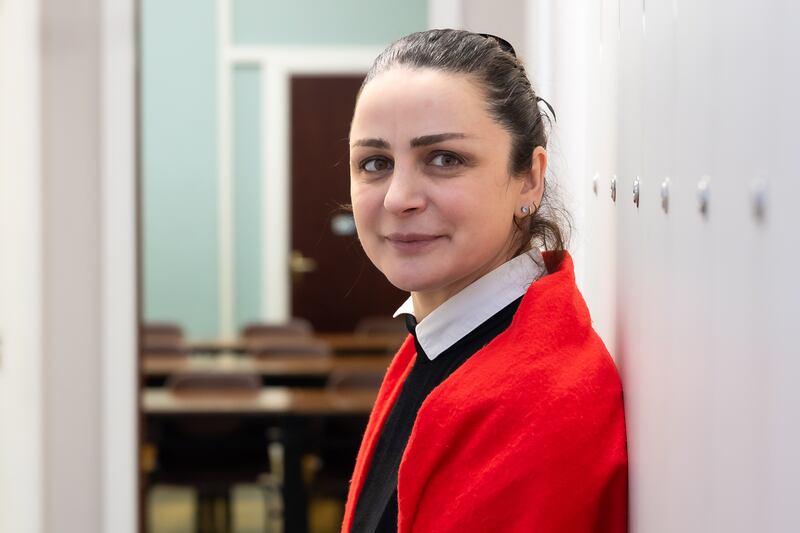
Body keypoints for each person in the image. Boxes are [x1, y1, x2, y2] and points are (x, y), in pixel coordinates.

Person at [341, 29, 628, 533]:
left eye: (445, 159)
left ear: (530, 179)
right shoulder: (439, 338)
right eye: (375, 163)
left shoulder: (541, 403)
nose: (397, 198)